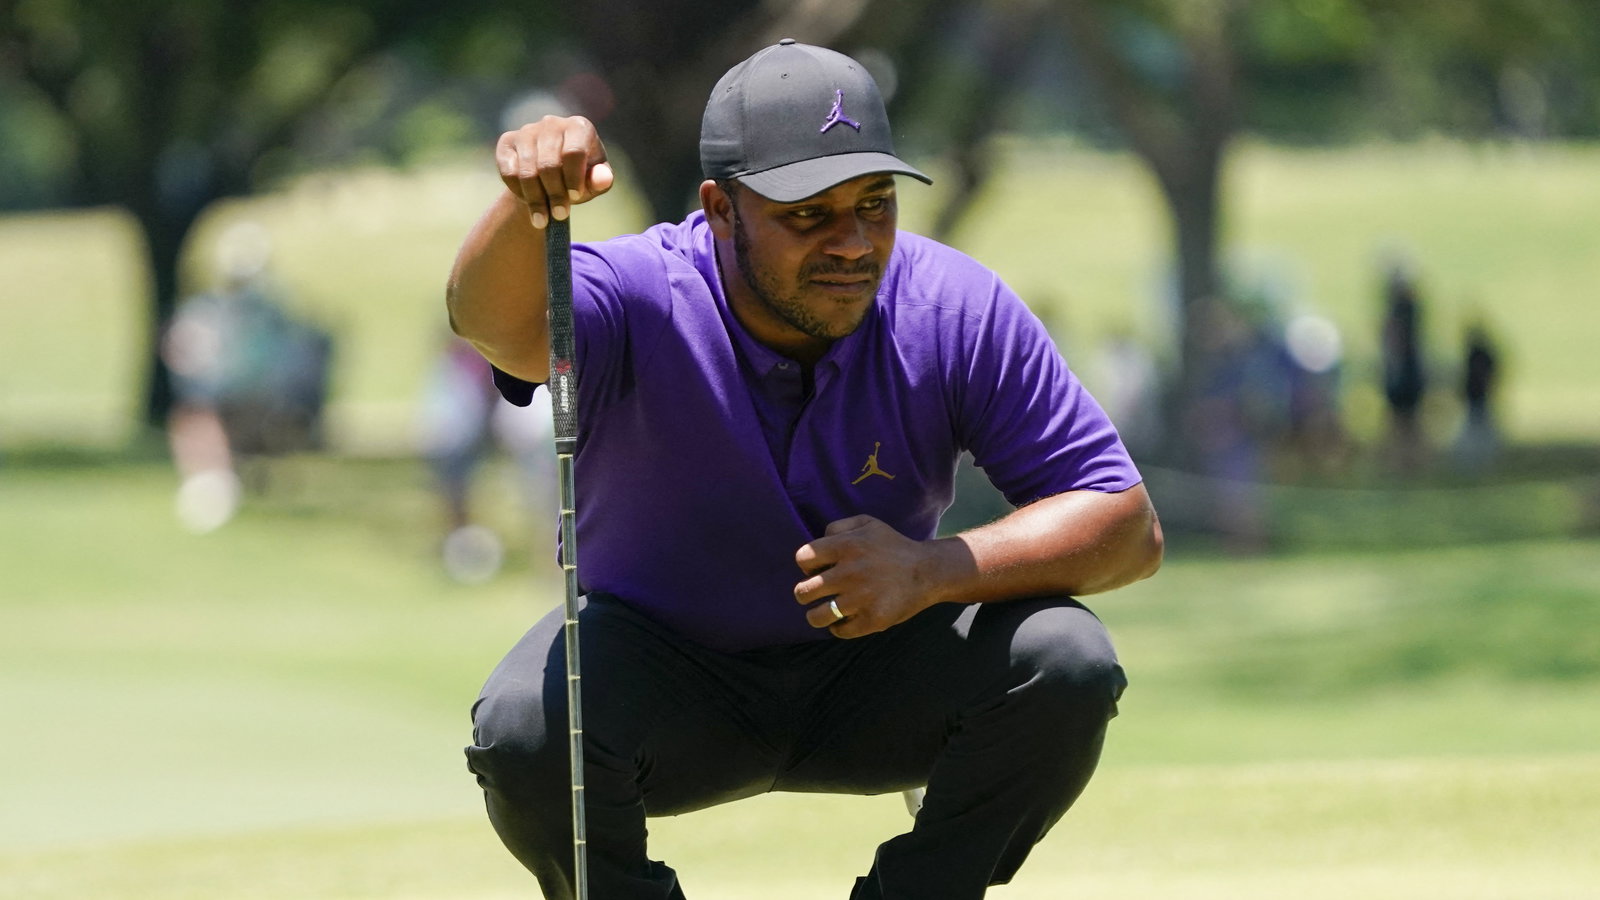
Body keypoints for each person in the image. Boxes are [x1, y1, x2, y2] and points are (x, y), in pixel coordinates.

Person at [449, 40, 1163, 900]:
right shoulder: (643, 291)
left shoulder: (950, 305)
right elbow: (493, 323)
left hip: (876, 672)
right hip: (662, 680)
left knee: (1065, 658)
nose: (853, 243)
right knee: (525, 727)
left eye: (874, 203)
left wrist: (935, 571)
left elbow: (1126, 524)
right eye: (809, 214)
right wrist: (525, 205)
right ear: (720, 208)